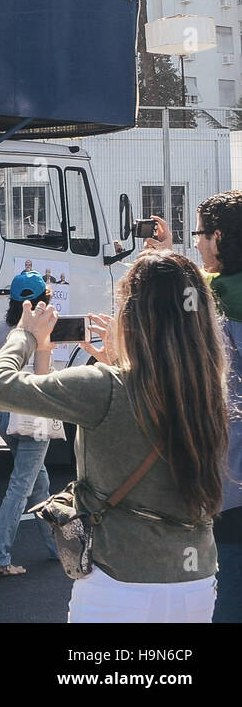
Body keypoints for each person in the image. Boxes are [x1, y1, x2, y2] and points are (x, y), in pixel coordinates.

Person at [0, 250, 228, 623]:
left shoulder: (105, 387)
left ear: (131, 317)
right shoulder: (208, 388)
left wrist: (24, 336)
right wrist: (118, 361)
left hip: (118, 582)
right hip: (195, 581)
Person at [151, 198, 242, 623]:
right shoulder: (217, 293)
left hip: (227, 477)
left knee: (223, 593)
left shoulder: (211, 309)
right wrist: (168, 256)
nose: (199, 245)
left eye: (201, 236)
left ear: (220, 238)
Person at [0, 269, 59, 576]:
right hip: (34, 419)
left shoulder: (1, 328)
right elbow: (41, 381)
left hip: (4, 418)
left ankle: (57, 548)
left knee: (40, 485)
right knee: (21, 488)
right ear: (43, 300)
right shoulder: (41, 333)